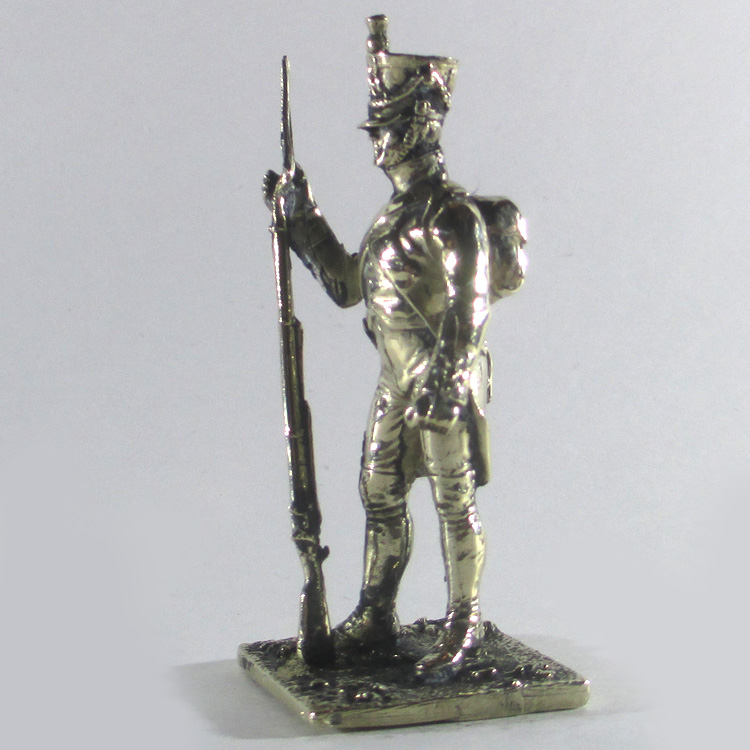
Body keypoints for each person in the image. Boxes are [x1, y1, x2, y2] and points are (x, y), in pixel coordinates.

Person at [263, 15, 527, 680]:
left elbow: (469, 305)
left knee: (453, 505)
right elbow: (347, 284)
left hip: (442, 384)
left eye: (385, 128)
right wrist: (301, 218)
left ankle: (463, 626)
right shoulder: (392, 217)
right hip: (395, 381)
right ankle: (378, 612)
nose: (377, 145)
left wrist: (446, 379)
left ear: (419, 127)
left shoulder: (452, 215)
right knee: (378, 494)